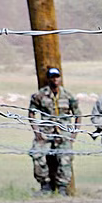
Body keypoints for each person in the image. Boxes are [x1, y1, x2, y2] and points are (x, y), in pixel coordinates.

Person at [27, 66, 80, 195]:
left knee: (65, 158)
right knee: (37, 154)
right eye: (52, 77)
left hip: (63, 132)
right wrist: (37, 131)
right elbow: (31, 113)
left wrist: (74, 133)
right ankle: (45, 185)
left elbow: (78, 114)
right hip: (46, 131)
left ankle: (62, 187)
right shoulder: (40, 95)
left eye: (57, 77)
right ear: (48, 79)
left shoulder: (67, 96)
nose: (55, 79)